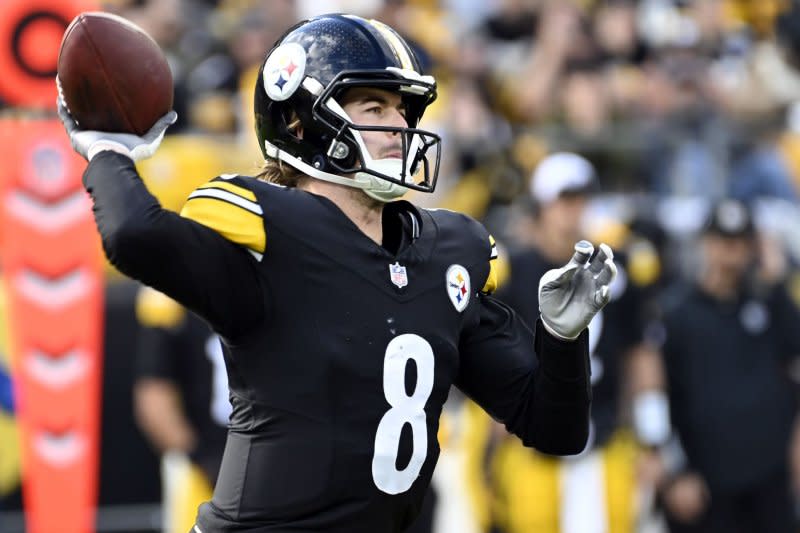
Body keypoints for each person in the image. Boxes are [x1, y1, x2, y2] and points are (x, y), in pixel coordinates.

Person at [57, 14, 616, 533]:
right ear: (301, 123)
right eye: (374, 108)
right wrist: (108, 151)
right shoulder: (269, 230)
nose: (399, 125)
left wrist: (562, 340)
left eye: (402, 110)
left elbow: (554, 429)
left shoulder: (449, 251)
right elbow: (134, 234)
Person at [463, 153, 669, 533]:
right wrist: (490, 449)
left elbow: (641, 356)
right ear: (542, 205)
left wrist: (654, 440)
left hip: (607, 437)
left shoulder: (619, 265)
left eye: (581, 198)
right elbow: (491, 365)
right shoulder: (512, 270)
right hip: (530, 446)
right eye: (564, 199)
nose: (573, 210)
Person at [657, 198, 800, 533]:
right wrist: (676, 471)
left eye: (739, 242)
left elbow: (796, 350)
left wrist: (777, 278)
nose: (730, 252)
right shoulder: (677, 313)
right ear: (706, 244)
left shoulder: (767, 302)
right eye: (722, 241)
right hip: (708, 484)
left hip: (771, 481)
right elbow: (663, 396)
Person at [132, 286, 229, 533]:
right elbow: (153, 400)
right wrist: (198, 457)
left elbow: (152, 399)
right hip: (208, 470)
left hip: (246, 462)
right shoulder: (168, 299)